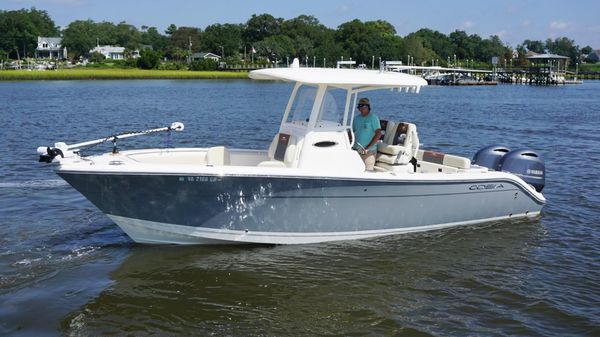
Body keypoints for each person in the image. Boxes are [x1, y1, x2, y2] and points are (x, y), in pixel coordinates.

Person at [352, 97, 381, 171]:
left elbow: (378, 134)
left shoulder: (373, 118)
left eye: (364, 106)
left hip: (369, 152)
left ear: (368, 107)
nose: (361, 109)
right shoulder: (356, 118)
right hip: (356, 151)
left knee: (368, 172)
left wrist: (367, 148)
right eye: (360, 107)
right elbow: (351, 132)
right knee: (355, 171)